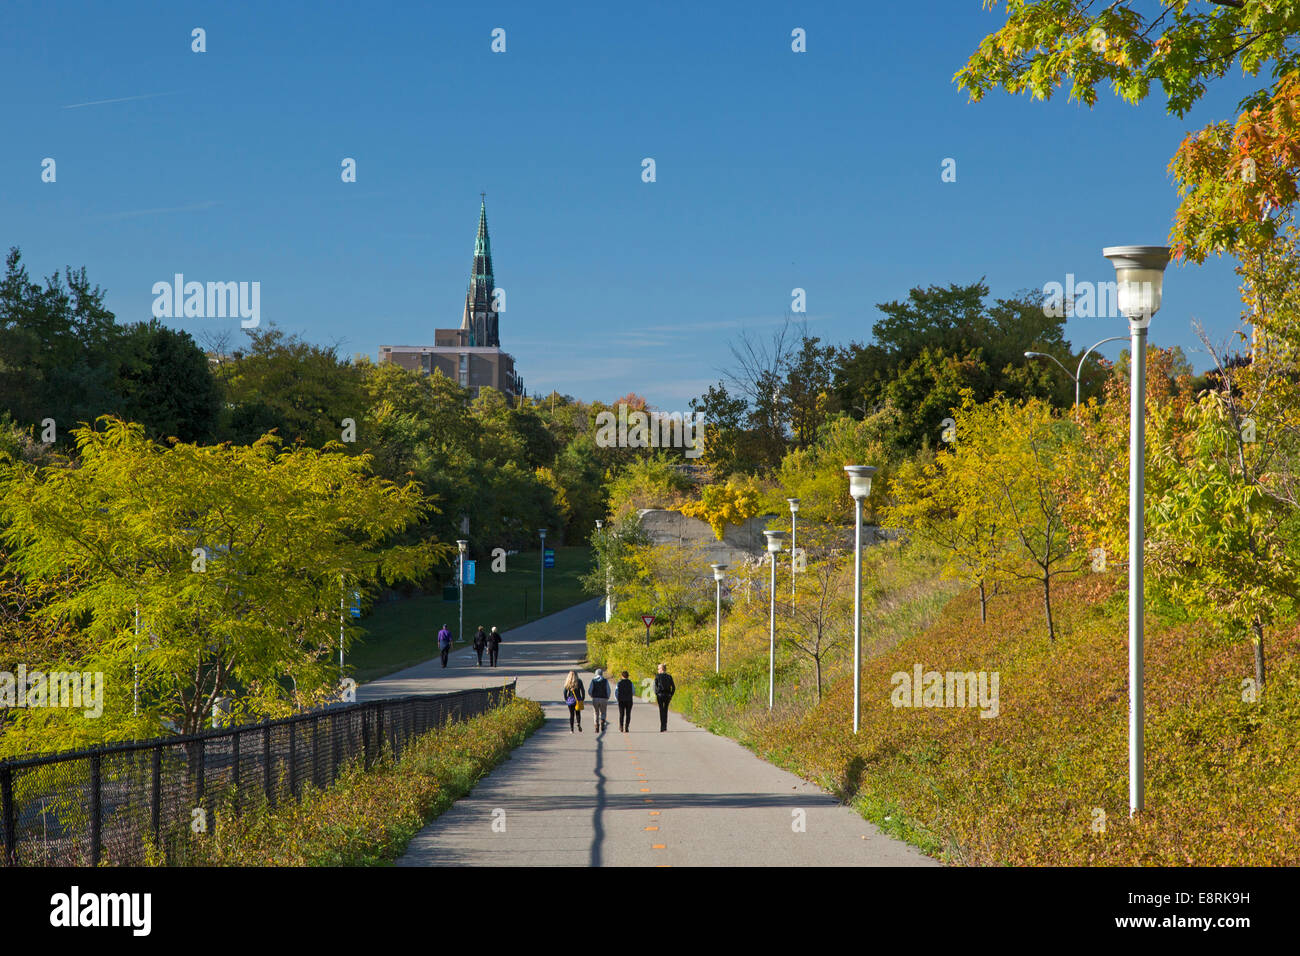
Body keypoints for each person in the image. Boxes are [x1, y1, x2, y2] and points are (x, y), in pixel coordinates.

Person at [654, 663, 675, 732]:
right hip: (667, 695)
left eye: (658, 668)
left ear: (661, 669)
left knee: (661, 710)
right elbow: (673, 687)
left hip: (660, 695)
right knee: (665, 710)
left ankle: (662, 726)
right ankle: (665, 726)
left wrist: (657, 693)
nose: (658, 670)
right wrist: (671, 694)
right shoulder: (669, 676)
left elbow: (655, 686)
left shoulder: (657, 676)